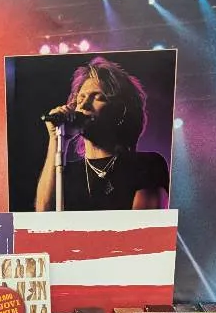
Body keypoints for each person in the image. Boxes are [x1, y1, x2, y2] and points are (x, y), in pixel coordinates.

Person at [35, 56, 169, 211]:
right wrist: (56, 138)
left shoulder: (147, 165)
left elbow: (143, 224)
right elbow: (44, 217)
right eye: (80, 99)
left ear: (120, 111)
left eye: (97, 97)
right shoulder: (65, 172)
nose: (84, 105)